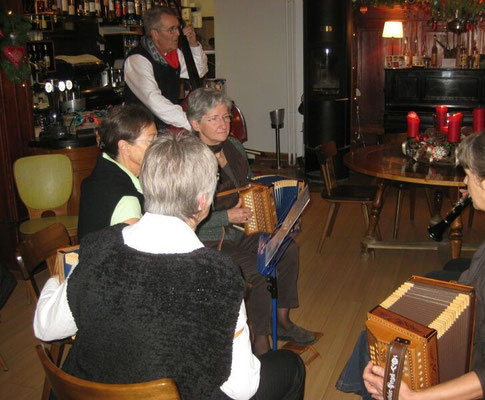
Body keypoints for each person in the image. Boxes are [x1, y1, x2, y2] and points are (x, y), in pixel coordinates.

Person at [34, 135, 305, 400]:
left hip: (83, 391)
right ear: (203, 202)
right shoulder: (219, 275)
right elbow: (242, 388)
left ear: (145, 183)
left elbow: (46, 329)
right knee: (291, 366)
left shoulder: (98, 246)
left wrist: (56, 280)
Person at [361, 116, 485, 399]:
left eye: (468, 175)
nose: (464, 182)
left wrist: (413, 398)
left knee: (378, 348)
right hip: (480, 332)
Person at [186, 88, 316, 355]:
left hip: (243, 230)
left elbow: (247, 184)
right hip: (208, 240)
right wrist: (226, 216)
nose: (224, 124)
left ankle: (282, 320)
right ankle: (260, 338)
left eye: (226, 116)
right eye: (214, 119)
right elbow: (183, 214)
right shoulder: (188, 158)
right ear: (195, 124)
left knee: (287, 249)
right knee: (259, 269)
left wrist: (270, 207)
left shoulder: (233, 146)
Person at [77, 104, 156, 240]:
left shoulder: (101, 172)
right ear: (125, 147)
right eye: (151, 140)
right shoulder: (127, 200)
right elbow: (134, 257)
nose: (157, 145)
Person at [124, 6, 208, 131]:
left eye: (177, 28)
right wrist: (191, 123)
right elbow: (154, 100)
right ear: (155, 34)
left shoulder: (174, 54)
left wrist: (193, 44)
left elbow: (199, 71)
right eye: (171, 30)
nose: (178, 33)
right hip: (139, 131)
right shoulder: (137, 60)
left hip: (166, 128)